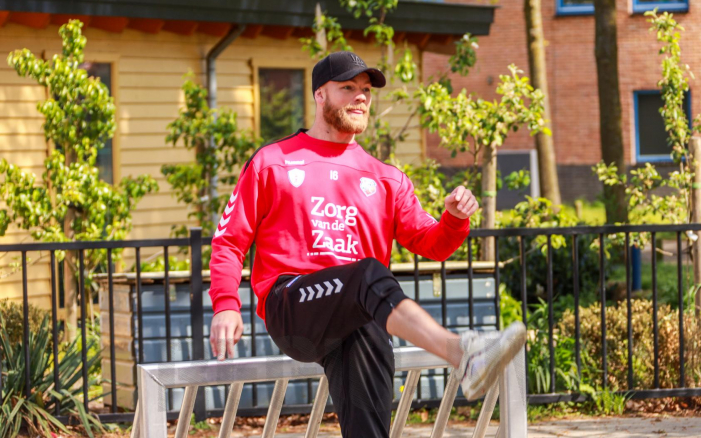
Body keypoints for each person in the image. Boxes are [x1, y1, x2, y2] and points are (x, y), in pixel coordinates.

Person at [208, 51, 525, 437]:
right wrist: (226, 305)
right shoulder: (272, 161)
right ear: (320, 95)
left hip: (357, 314)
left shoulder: (387, 178)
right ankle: (463, 355)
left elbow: (432, 244)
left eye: (366, 90)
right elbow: (228, 241)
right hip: (291, 305)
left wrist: (454, 219)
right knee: (367, 277)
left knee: (371, 384)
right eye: (348, 88)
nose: (361, 97)